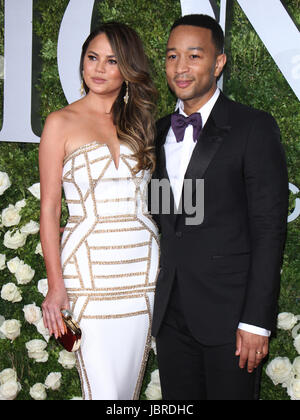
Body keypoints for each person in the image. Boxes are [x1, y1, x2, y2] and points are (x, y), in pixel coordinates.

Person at [150, 14, 288, 400]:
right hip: (172, 316)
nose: (180, 67)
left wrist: (256, 322)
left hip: (232, 319)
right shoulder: (158, 131)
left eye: (194, 56)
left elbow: (269, 230)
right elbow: (171, 218)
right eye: (172, 56)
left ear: (218, 62)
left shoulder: (252, 127)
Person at [39, 22, 159, 400]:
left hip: (142, 270)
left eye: (111, 61)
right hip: (88, 274)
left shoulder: (141, 123)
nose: (98, 68)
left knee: (127, 389)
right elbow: (49, 209)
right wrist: (56, 285)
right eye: (92, 58)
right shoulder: (60, 122)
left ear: (127, 70)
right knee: (103, 388)